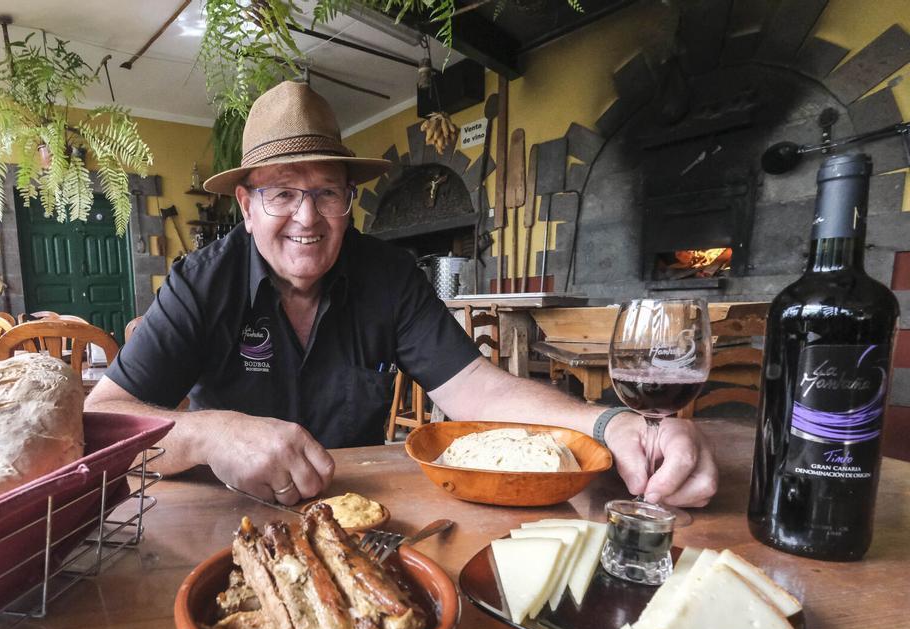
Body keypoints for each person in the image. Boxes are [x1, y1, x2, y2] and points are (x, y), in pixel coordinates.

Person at [85, 81, 716, 509]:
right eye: (282, 192)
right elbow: (97, 422)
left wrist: (613, 423)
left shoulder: (389, 274)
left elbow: (478, 389)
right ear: (246, 206)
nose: (307, 217)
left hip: (365, 512)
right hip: (220, 518)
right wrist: (211, 435)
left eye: (327, 192)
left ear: (348, 200)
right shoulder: (201, 282)